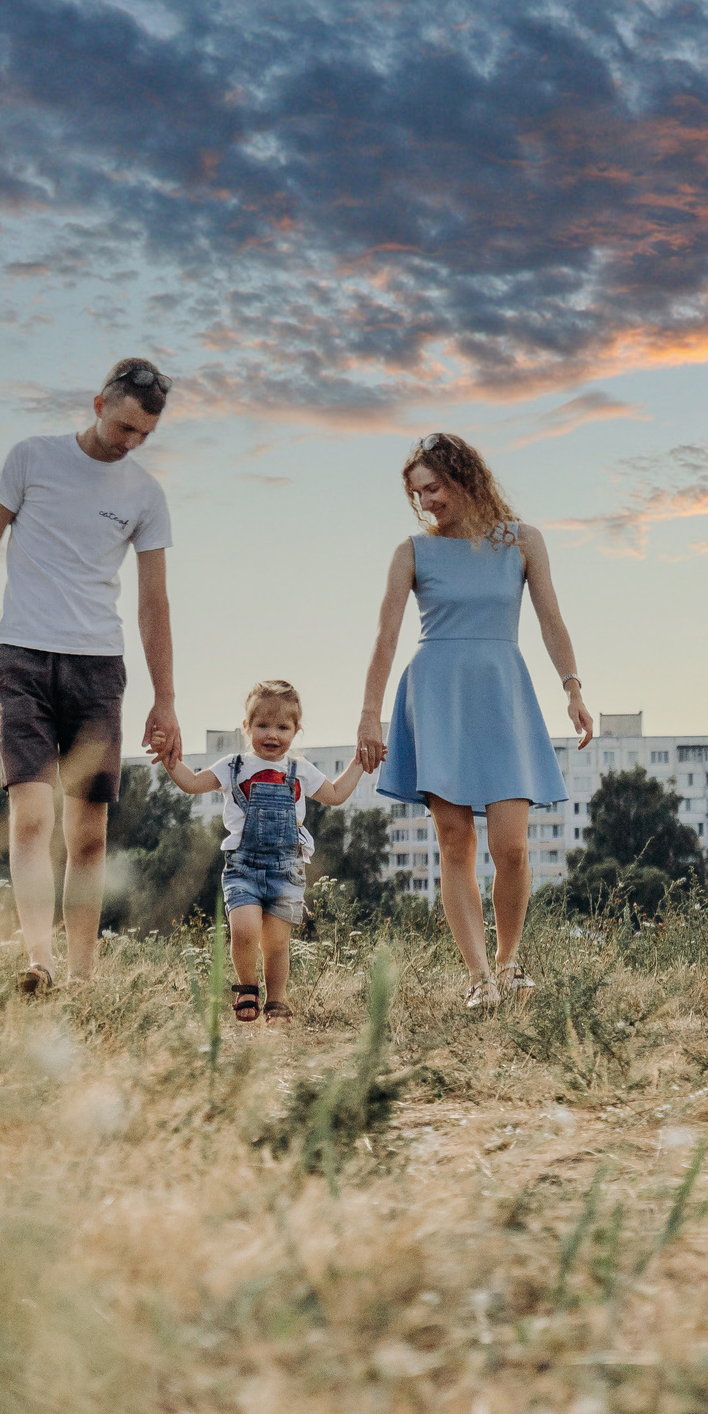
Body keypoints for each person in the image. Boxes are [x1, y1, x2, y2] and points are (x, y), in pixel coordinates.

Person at [0, 357, 182, 995]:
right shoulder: (30, 459)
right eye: (124, 426)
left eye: (142, 436)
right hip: (22, 659)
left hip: (99, 670)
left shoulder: (146, 495)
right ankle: (38, 962)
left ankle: (82, 975)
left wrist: (167, 699)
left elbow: (154, 603)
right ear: (98, 404)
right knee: (32, 818)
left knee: (89, 836)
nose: (129, 442)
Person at [356, 433, 591, 1008]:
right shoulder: (412, 551)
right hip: (436, 693)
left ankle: (510, 965)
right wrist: (369, 714)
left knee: (511, 845)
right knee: (454, 839)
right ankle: (479, 978)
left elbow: (551, 620)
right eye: (418, 494)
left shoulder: (523, 541)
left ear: (465, 477)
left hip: (501, 693)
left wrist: (573, 687)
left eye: (433, 488)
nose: (426, 502)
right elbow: (386, 636)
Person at [156, 679, 364, 1022]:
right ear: (246, 727)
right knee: (245, 930)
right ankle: (247, 987)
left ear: (296, 730)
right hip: (243, 867)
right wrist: (168, 758)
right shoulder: (233, 766)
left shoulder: (300, 770)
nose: (272, 734)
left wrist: (359, 763)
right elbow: (192, 783)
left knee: (277, 944)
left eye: (283, 727)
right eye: (262, 725)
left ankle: (276, 1001)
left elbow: (336, 794)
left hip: (286, 870)